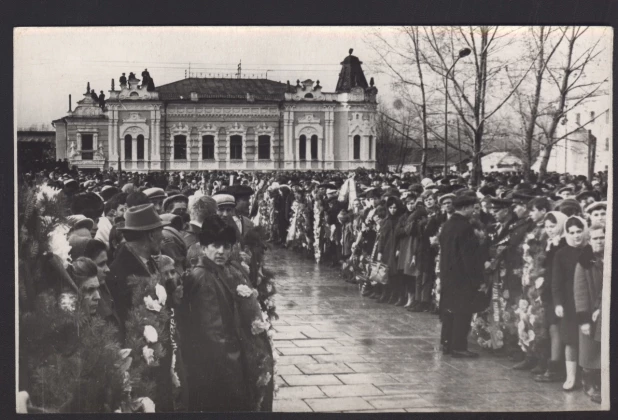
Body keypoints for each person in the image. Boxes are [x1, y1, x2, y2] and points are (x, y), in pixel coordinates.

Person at [179, 215, 274, 412]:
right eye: (215, 245)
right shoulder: (204, 277)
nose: (221, 251)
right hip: (219, 369)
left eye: (226, 246)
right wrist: (237, 369)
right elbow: (214, 335)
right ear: (204, 247)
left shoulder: (217, 271)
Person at [107, 203, 169, 341]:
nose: (163, 237)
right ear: (151, 235)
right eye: (161, 231)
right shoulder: (120, 272)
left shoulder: (145, 261)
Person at [439, 193, 485, 358]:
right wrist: (477, 279)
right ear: (465, 207)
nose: (474, 211)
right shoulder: (465, 227)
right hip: (462, 277)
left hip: (447, 275)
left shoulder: (448, 224)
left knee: (449, 311)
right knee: (462, 312)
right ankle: (459, 346)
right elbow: (469, 257)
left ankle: (446, 343)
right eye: (473, 207)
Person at [552, 216, 589, 391]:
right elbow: (556, 281)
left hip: (588, 300)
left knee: (589, 338)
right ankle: (571, 377)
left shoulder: (591, 249)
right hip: (569, 302)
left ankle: (589, 376)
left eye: (579, 231)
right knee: (570, 340)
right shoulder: (561, 254)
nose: (576, 236)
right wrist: (558, 303)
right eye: (572, 232)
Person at [535, 211, 568, 383]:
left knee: (555, 328)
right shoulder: (551, 243)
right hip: (549, 289)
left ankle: (555, 369)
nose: (550, 230)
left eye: (553, 226)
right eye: (547, 227)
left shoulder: (562, 243)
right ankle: (552, 365)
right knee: (551, 328)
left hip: (558, 290)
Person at [574, 224, 604, 404]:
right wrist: (584, 319)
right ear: (589, 241)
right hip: (590, 312)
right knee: (590, 349)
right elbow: (580, 292)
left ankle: (602, 383)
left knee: (603, 350)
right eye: (595, 238)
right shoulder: (584, 262)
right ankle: (588, 382)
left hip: (604, 310)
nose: (599, 241)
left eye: (602, 237)